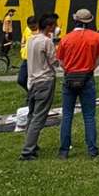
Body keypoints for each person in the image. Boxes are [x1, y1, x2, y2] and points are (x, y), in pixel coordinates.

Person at [57, 9, 99, 159]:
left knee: (67, 116)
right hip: (87, 78)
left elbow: (60, 61)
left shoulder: (65, 38)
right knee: (89, 116)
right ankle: (92, 150)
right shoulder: (96, 37)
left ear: (75, 20)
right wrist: (90, 69)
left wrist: (69, 71)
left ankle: (64, 150)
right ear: (89, 22)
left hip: (69, 78)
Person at [21, 13, 60, 160]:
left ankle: (31, 143)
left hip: (32, 81)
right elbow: (54, 61)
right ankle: (27, 150)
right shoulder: (47, 41)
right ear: (49, 26)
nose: (55, 27)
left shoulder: (31, 39)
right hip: (45, 80)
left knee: (32, 115)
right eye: (54, 25)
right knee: (39, 117)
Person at [16, 15, 39, 92]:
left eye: (33, 26)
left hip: (37, 60)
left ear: (37, 24)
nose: (32, 28)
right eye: (30, 27)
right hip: (26, 59)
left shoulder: (41, 31)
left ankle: (33, 96)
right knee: (21, 80)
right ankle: (31, 93)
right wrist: (22, 50)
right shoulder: (27, 30)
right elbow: (23, 41)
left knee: (36, 81)